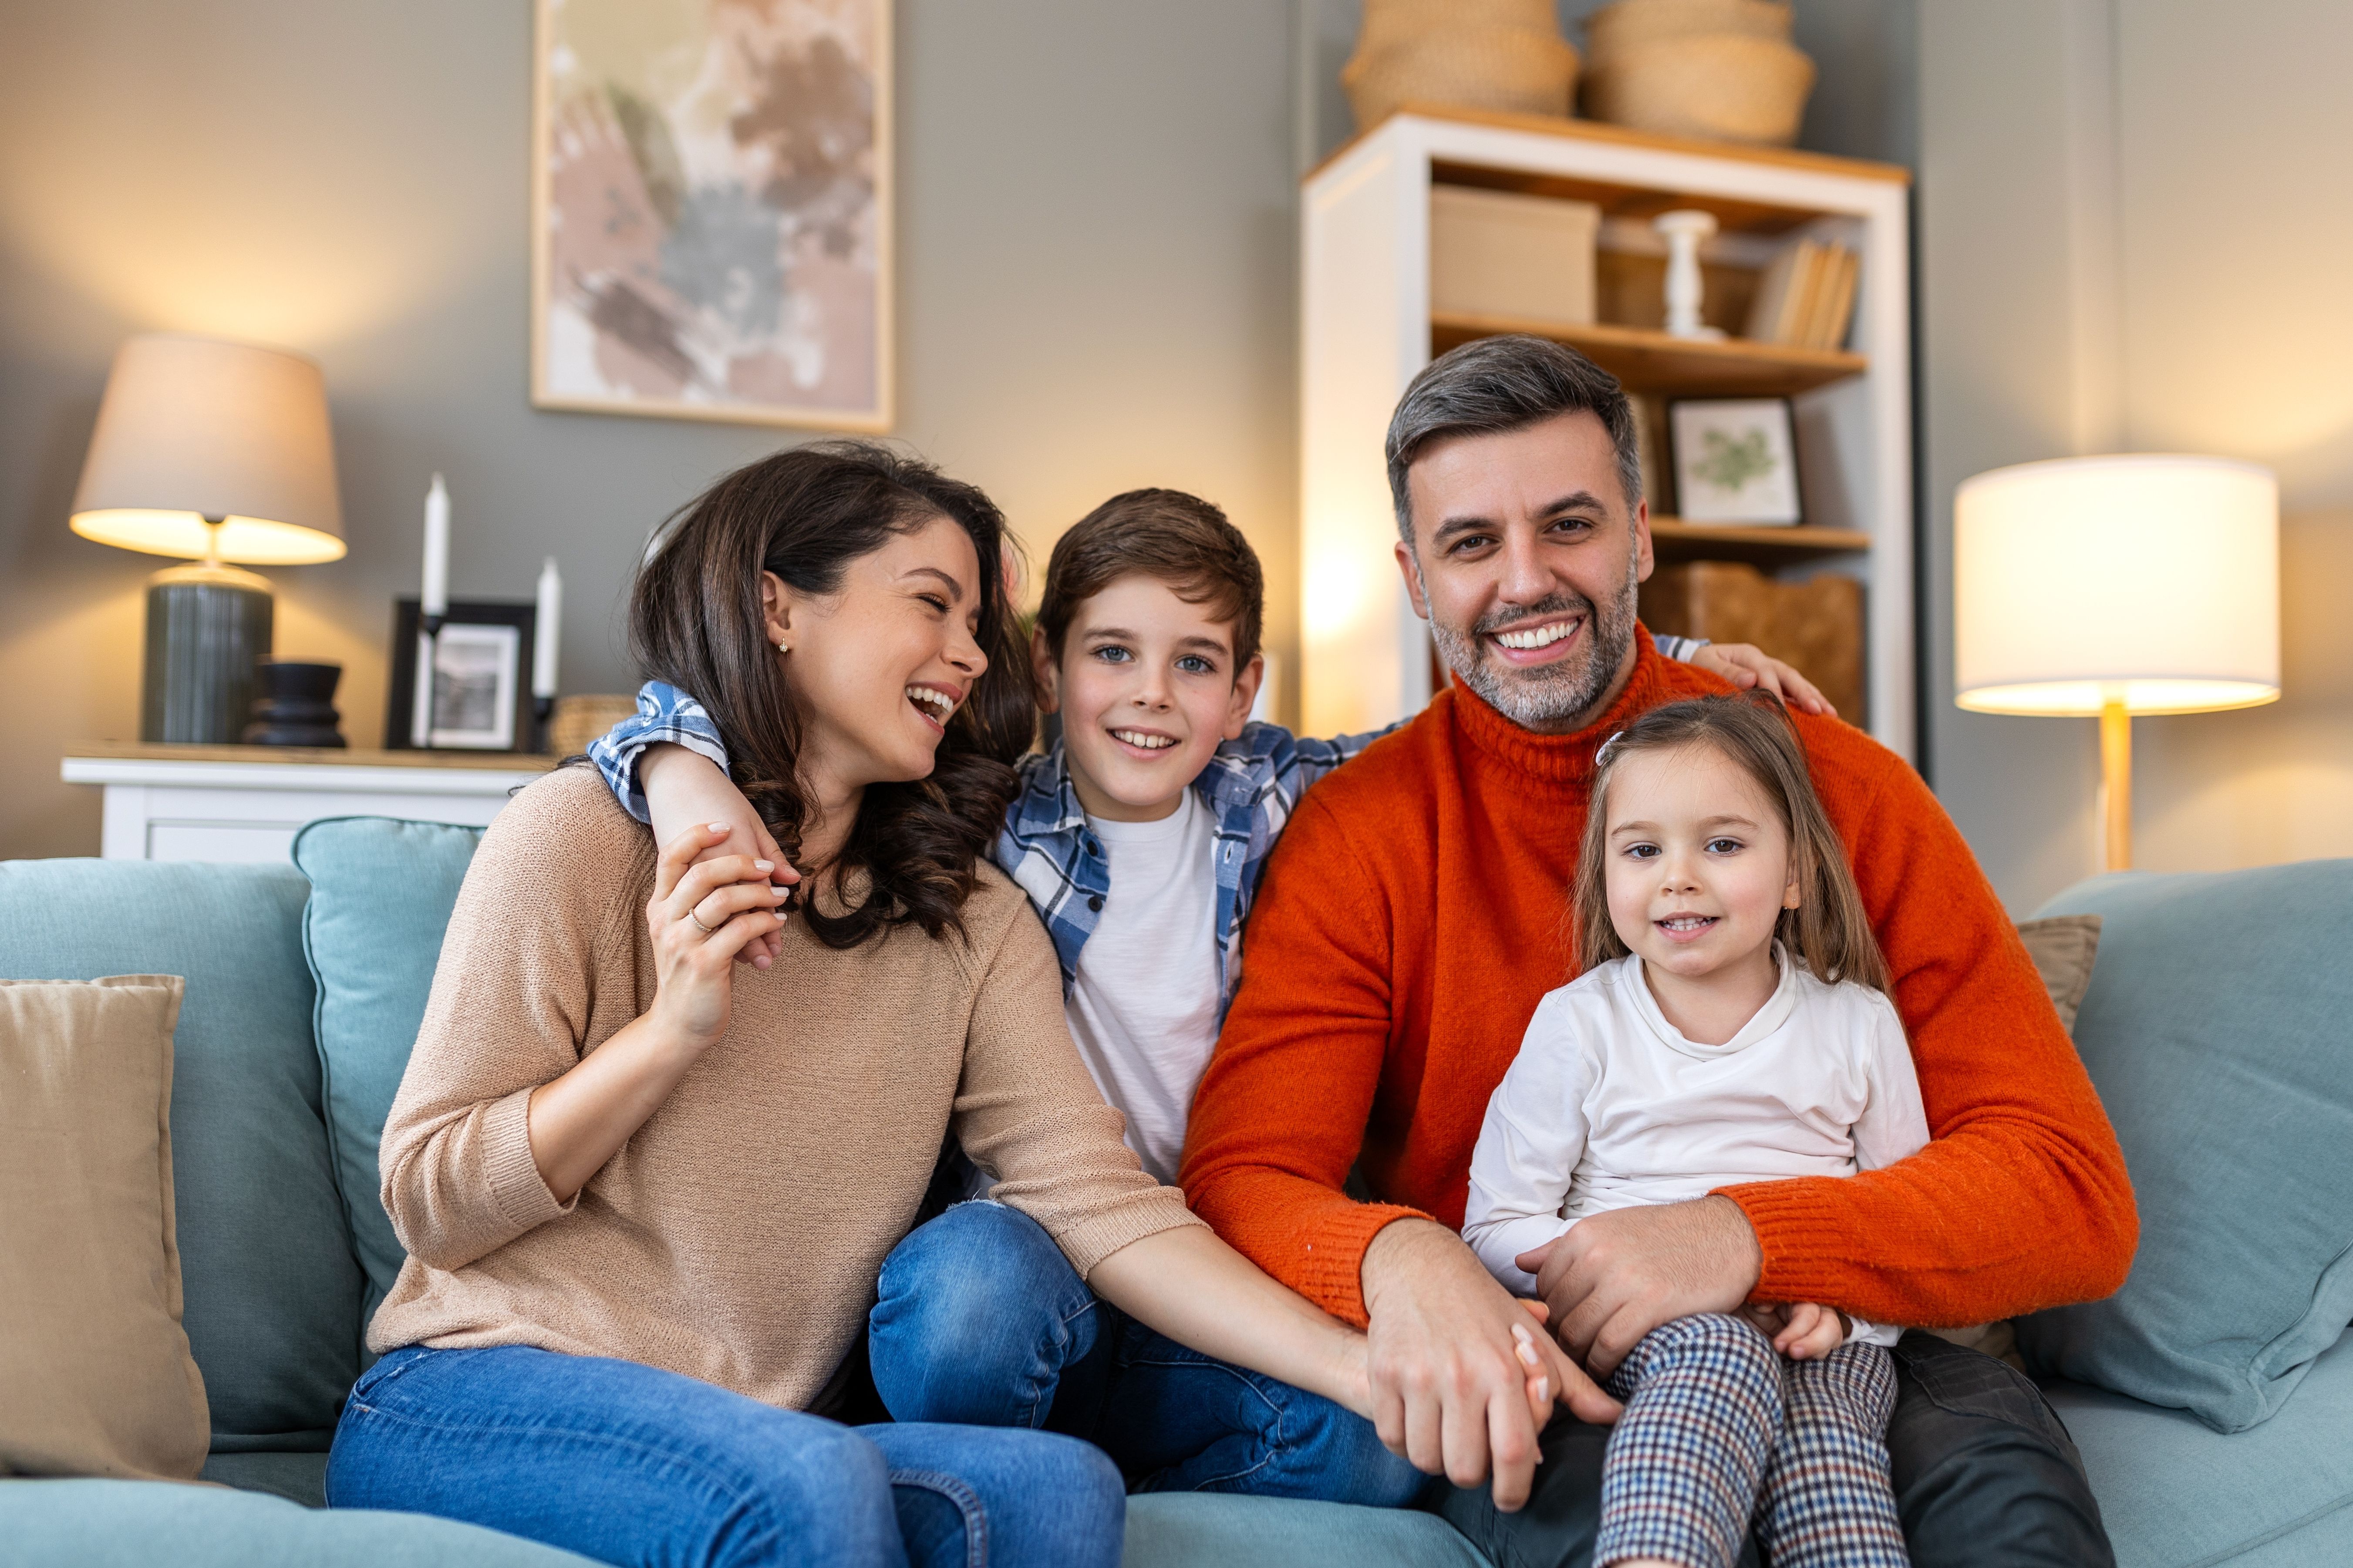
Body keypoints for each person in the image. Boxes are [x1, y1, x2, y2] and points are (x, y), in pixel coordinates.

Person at [586, 488, 1820, 1503]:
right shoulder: (972, 815)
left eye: (1194, 665)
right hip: (1036, 1261)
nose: (1149, 697)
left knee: (1389, 1442)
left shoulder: (1283, 795)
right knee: (967, 1297)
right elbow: (688, 713)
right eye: (1111, 654)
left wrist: (1674, 670)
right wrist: (672, 760)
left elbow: (1491, 726)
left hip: (1224, 1275)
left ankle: (1082, 1474)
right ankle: (1001, 1475)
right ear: (1047, 663)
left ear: (1242, 690)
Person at [325, 443, 1407, 1568]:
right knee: (811, 1481)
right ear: (777, 608)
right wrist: (672, 1033)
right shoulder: (584, 837)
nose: (964, 652)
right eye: (932, 603)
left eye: (974, 621)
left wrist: (1355, 1370)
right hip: (478, 1392)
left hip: (777, 1430)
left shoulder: (967, 914)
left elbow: (1099, 1202)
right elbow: (430, 1202)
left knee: (1057, 1489)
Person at [1178, 333, 2137, 1564]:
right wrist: (1403, 1253)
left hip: (1858, 1349)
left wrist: (1738, 1233)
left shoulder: (1838, 787)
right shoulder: (1362, 830)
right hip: (1572, 1356)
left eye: (1566, 525)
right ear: (1418, 580)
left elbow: (2067, 1191)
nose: (1525, 581)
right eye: (1472, 545)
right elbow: (1243, 1174)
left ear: (1639, 536)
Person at [1466, 693, 1925, 1568]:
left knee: (1829, 1454)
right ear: (1606, 876)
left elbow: (1904, 1221)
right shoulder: (1578, 1023)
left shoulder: (1857, 1024)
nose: (1677, 876)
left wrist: (1843, 1310)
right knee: (1716, 1352)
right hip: (1648, 1331)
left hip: (1819, 1339)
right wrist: (1620, 1265)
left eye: (1721, 844)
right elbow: (1492, 1227)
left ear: (1793, 873)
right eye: (1642, 849)